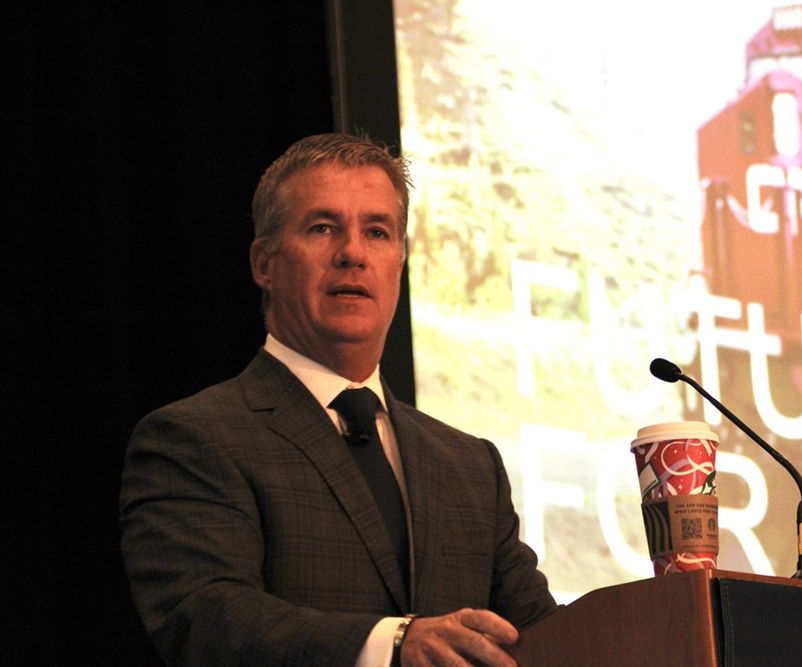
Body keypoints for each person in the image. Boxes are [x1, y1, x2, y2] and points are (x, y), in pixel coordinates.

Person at [120, 133, 557, 666]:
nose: (352, 253)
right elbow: (209, 618)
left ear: (398, 262)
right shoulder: (194, 438)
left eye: (377, 231)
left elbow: (543, 635)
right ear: (264, 263)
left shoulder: (469, 466)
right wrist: (391, 645)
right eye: (323, 228)